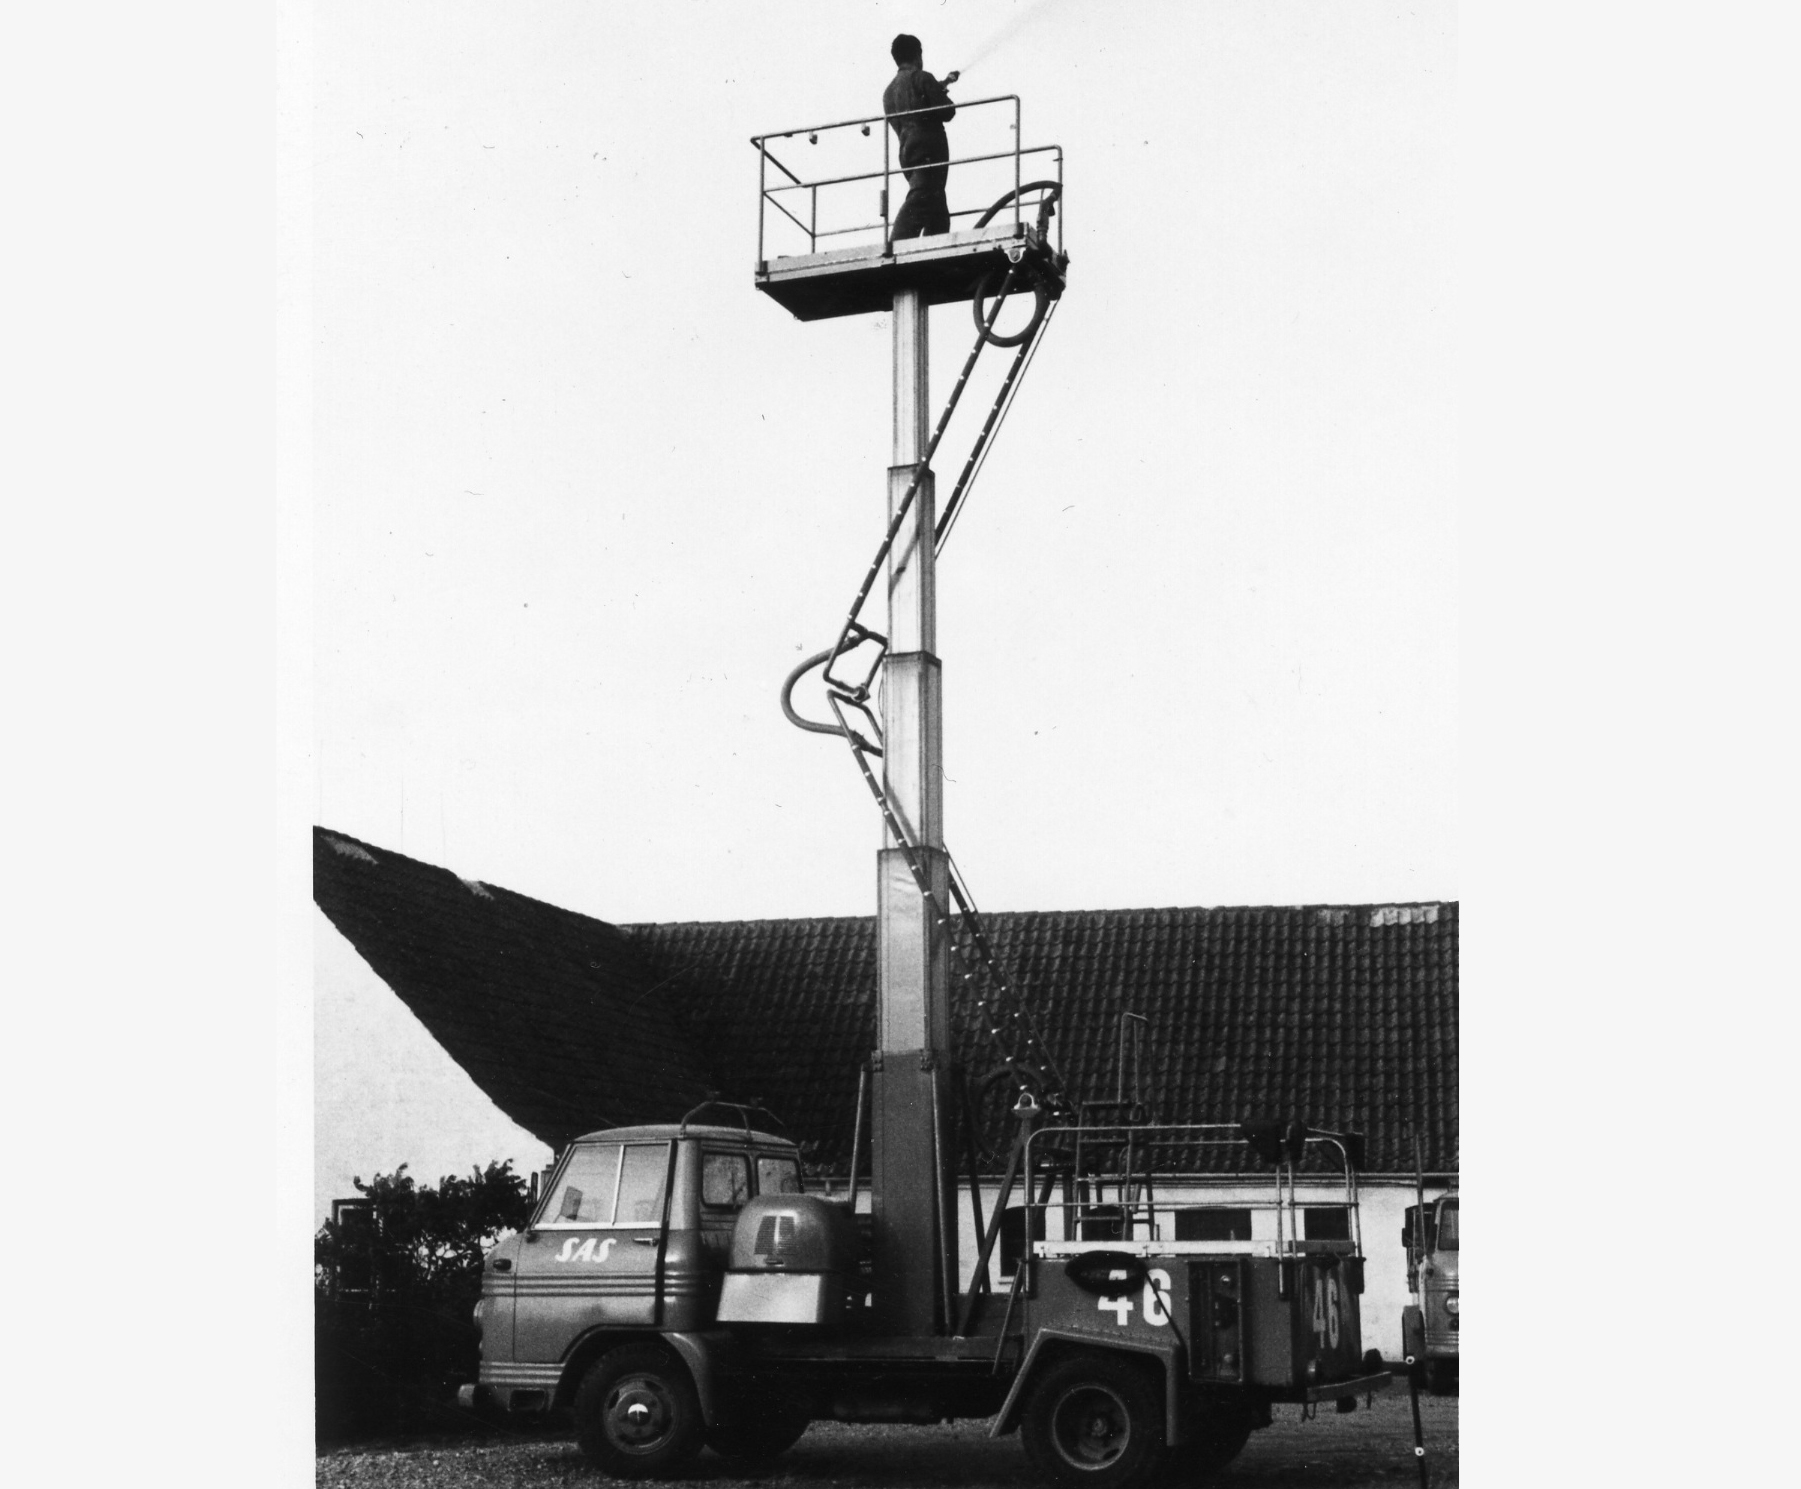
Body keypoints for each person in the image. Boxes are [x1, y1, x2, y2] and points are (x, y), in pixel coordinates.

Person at [882, 34, 959, 240]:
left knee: (938, 210)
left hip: (907, 153)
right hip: (930, 150)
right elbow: (947, 111)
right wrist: (939, 91)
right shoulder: (923, 77)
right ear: (918, 54)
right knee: (921, 198)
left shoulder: (888, 92)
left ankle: (936, 248)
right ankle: (895, 244)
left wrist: (940, 85)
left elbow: (915, 104)